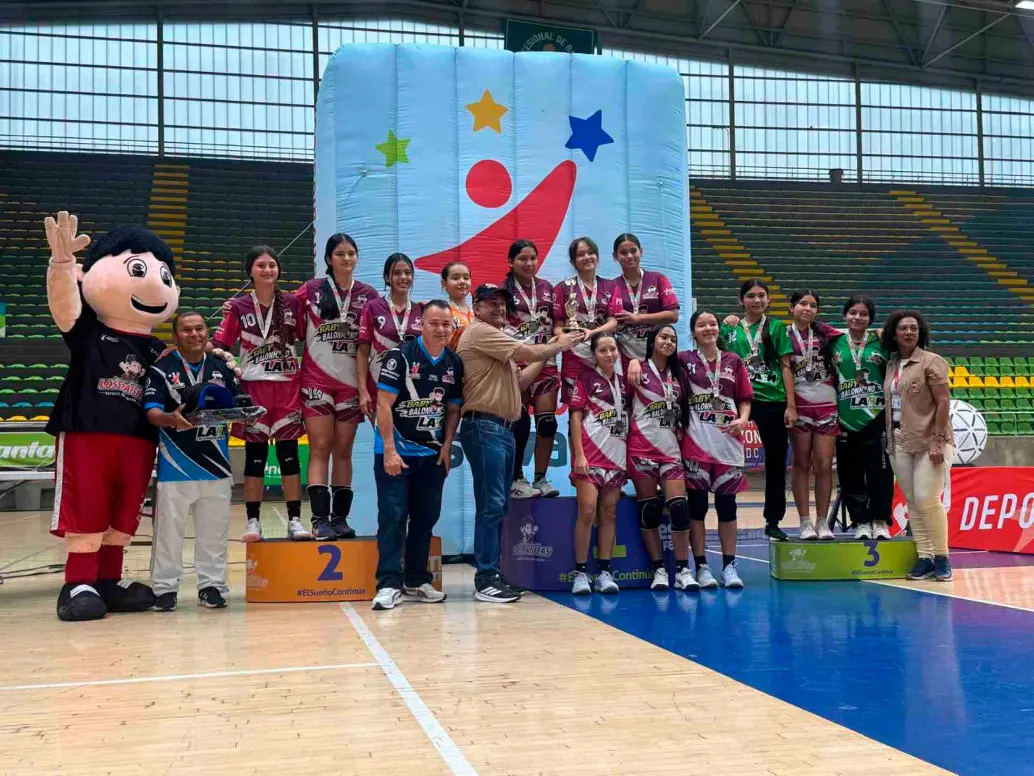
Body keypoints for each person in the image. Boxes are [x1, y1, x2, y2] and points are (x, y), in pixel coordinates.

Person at [44, 214, 180, 621]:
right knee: (86, 503)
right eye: (139, 269)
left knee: (124, 509)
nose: (155, 283)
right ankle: (78, 582)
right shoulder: (89, 328)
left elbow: (182, 379)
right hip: (88, 430)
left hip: (139, 437)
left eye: (163, 274)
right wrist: (64, 267)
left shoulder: (158, 348)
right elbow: (65, 305)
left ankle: (107, 580)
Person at [456, 284, 584, 603]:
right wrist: (560, 344)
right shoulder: (481, 332)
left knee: (497, 505)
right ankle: (485, 578)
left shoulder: (496, 344)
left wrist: (552, 345)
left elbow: (522, 380)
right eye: (492, 303)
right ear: (477, 306)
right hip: (485, 426)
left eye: (503, 303)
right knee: (490, 506)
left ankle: (492, 574)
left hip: (502, 429)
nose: (500, 308)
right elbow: (528, 353)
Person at [144, 311, 242, 611]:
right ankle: (165, 589)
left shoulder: (220, 368)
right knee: (168, 532)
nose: (194, 334)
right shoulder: (161, 369)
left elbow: (236, 403)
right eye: (187, 330)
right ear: (176, 335)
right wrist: (171, 420)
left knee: (215, 531)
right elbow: (151, 411)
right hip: (176, 465)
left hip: (217, 466)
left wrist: (243, 416)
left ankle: (211, 586)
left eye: (200, 329)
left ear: (207, 332)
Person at [211, 246, 309, 542]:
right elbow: (220, 346)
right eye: (261, 266)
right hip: (253, 390)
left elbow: (306, 334)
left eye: (272, 265)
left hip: (288, 388)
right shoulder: (238, 307)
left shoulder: (293, 303)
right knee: (255, 458)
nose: (267, 270)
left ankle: (295, 520)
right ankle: (253, 521)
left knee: (289, 456)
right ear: (250, 272)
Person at [371, 301, 463, 611]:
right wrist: (389, 450)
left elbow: (453, 408)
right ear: (420, 325)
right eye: (434, 323)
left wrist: (447, 446)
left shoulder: (454, 363)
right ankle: (387, 584)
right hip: (397, 452)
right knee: (393, 518)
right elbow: (383, 404)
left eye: (446, 324)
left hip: (432, 455)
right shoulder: (400, 357)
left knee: (425, 519)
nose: (440, 329)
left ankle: (416, 578)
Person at [296, 234, 379, 540]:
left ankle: (340, 519)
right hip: (317, 379)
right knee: (320, 448)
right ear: (329, 259)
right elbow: (281, 311)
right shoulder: (311, 289)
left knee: (343, 450)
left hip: (350, 384)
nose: (346, 259)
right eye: (340, 254)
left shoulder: (369, 295)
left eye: (351, 253)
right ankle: (319, 520)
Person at [678, 311, 752, 589]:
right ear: (693, 331)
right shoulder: (683, 360)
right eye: (701, 325)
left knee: (727, 508)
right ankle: (701, 566)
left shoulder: (733, 360)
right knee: (696, 509)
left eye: (712, 324)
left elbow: (744, 397)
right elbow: (656, 361)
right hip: (696, 443)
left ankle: (729, 567)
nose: (708, 328)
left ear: (719, 329)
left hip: (728, 444)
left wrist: (743, 419)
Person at [720, 279, 796, 541]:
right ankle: (724, 515)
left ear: (768, 300)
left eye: (761, 296)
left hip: (772, 400)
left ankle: (773, 521)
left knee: (775, 464)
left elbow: (786, 366)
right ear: (741, 300)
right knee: (722, 458)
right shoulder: (728, 329)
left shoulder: (776, 328)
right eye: (751, 296)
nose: (757, 300)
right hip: (737, 398)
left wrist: (791, 405)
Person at [882, 310, 953, 582]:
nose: (909, 332)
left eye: (914, 328)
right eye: (903, 328)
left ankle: (942, 557)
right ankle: (924, 557)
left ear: (921, 332)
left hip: (929, 440)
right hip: (899, 440)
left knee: (927, 498)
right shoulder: (891, 364)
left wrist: (937, 439)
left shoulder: (932, 362)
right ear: (894, 333)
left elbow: (943, 401)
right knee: (912, 500)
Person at [625, 325, 692, 592]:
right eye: (663, 337)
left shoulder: (679, 373)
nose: (668, 342)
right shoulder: (637, 369)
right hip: (641, 448)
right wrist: (632, 360)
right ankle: (659, 570)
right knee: (649, 510)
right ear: (652, 341)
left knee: (679, 508)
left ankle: (683, 569)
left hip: (670, 450)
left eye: (673, 339)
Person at [568, 332, 626, 596]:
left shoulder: (627, 382)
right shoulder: (585, 379)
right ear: (594, 355)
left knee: (610, 512)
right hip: (590, 454)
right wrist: (579, 455)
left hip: (617, 455)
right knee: (588, 511)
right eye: (603, 350)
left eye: (612, 349)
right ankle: (580, 573)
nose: (609, 354)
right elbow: (576, 419)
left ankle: (605, 571)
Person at [832, 295, 893, 540]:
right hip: (846, 418)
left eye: (863, 314)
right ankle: (860, 521)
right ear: (845, 315)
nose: (858, 317)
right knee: (850, 473)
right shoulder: (833, 342)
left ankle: (880, 520)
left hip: (876, 417)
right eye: (853, 313)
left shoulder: (882, 342)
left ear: (870, 319)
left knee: (880, 472)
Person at [503, 239, 561, 500]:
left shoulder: (548, 288)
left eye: (532, 258)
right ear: (511, 262)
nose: (528, 263)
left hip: (546, 362)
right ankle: (517, 477)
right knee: (519, 422)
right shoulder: (503, 291)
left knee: (547, 422)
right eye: (522, 259)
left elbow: (558, 323)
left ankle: (541, 478)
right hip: (517, 362)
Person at [786, 290, 843, 541]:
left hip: (827, 405)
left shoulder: (824, 332)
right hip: (798, 406)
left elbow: (853, 337)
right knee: (801, 463)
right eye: (802, 304)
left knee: (823, 464)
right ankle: (804, 521)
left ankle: (823, 521)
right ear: (791, 307)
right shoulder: (781, 333)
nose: (807, 309)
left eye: (813, 305)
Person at [358, 253, 424, 419]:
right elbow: (362, 352)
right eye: (397, 273)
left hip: (412, 385)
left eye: (408, 273)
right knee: (384, 440)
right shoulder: (372, 307)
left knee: (407, 441)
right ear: (387, 278)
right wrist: (362, 390)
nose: (403, 277)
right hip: (378, 384)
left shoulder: (421, 310)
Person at [553, 237, 617, 404]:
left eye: (591, 253)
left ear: (597, 256)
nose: (587, 257)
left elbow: (613, 323)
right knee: (576, 409)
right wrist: (564, 340)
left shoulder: (611, 287)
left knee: (604, 408)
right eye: (581, 254)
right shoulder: (563, 288)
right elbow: (558, 325)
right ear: (572, 261)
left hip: (603, 356)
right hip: (574, 358)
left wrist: (591, 333)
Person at [608, 233, 680, 372]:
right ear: (615, 257)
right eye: (623, 252)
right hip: (626, 357)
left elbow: (673, 315)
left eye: (633, 251)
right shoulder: (612, 286)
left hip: (658, 355)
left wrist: (638, 318)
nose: (629, 256)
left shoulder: (658, 279)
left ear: (641, 251)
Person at [441, 261, 473, 350]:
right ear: (444, 283)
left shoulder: (477, 312)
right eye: (455, 278)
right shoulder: (443, 312)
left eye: (466, 278)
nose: (462, 281)